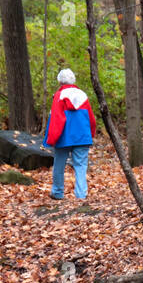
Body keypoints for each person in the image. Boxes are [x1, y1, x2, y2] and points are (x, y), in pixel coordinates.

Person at [45, 68, 96, 201]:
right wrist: (91, 133)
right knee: (80, 166)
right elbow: (90, 118)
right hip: (82, 136)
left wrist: (52, 138)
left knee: (59, 165)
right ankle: (81, 195)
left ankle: (57, 192)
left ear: (60, 81)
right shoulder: (83, 95)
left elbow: (57, 118)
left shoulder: (59, 95)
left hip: (63, 137)